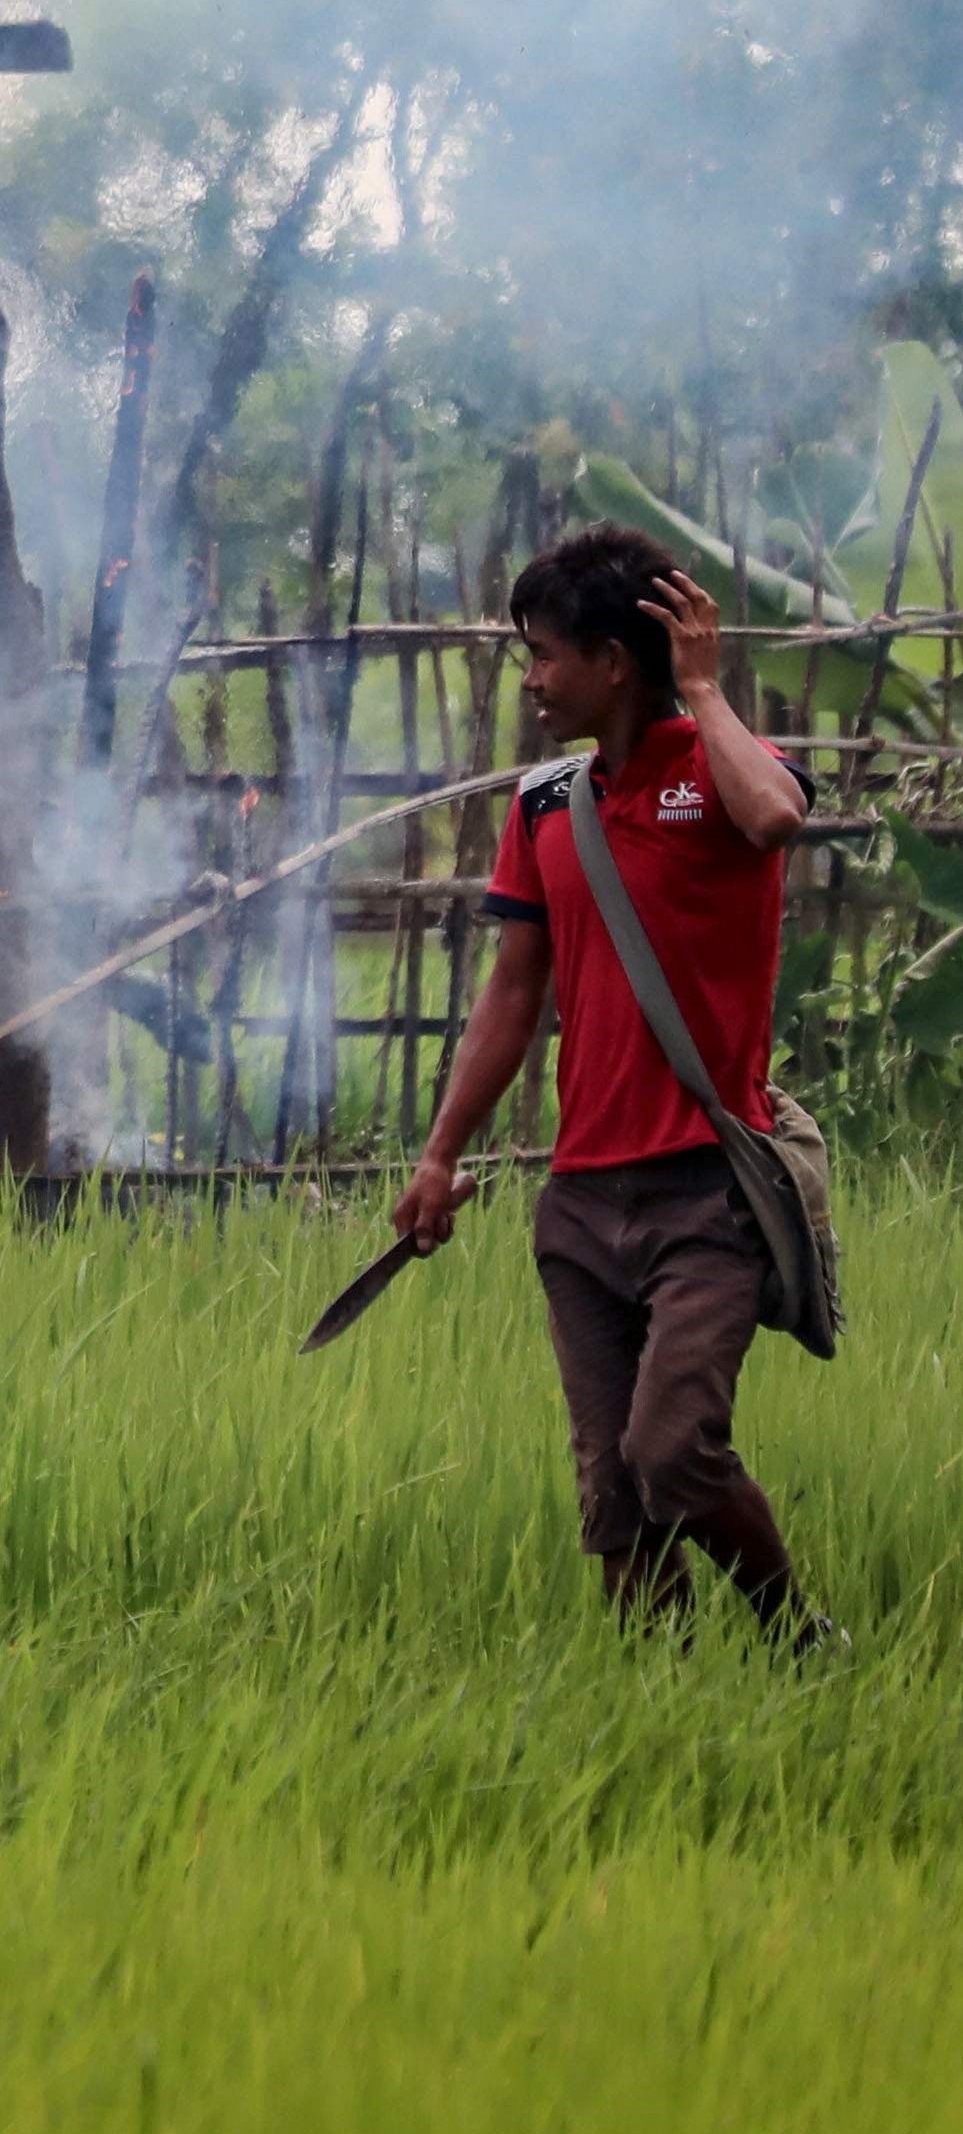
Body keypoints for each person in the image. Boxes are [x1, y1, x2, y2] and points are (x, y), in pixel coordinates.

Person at [392, 522, 821, 1635]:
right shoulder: (543, 806)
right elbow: (509, 993)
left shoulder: (721, 777)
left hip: (703, 1193)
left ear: (612, 663)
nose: (529, 679)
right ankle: (657, 1701)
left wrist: (702, 692)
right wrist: (439, 1153)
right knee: (612, 1495)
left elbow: (774, 818)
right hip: (579, 1200)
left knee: (670, 1450)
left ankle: (797, 1640)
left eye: (543, 654)